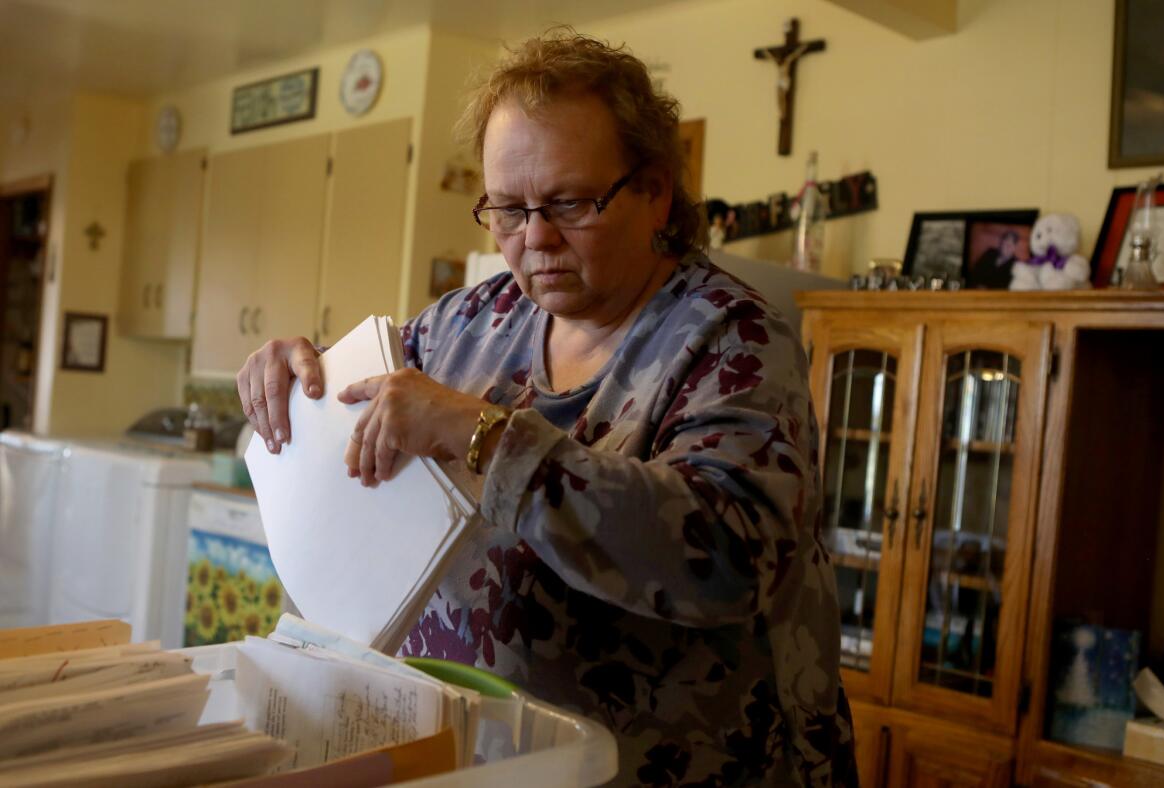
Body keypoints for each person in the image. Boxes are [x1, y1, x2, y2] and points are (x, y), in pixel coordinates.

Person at [237, 30, 855, 786]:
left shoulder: (735, 340)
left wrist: (484, 437)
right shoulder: (466, 323)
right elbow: (354, 422)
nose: (534, 239)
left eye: (569, 202)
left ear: (654, 188)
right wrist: (293, 385)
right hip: (483, 764)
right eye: (506, 208)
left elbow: (729, 557)